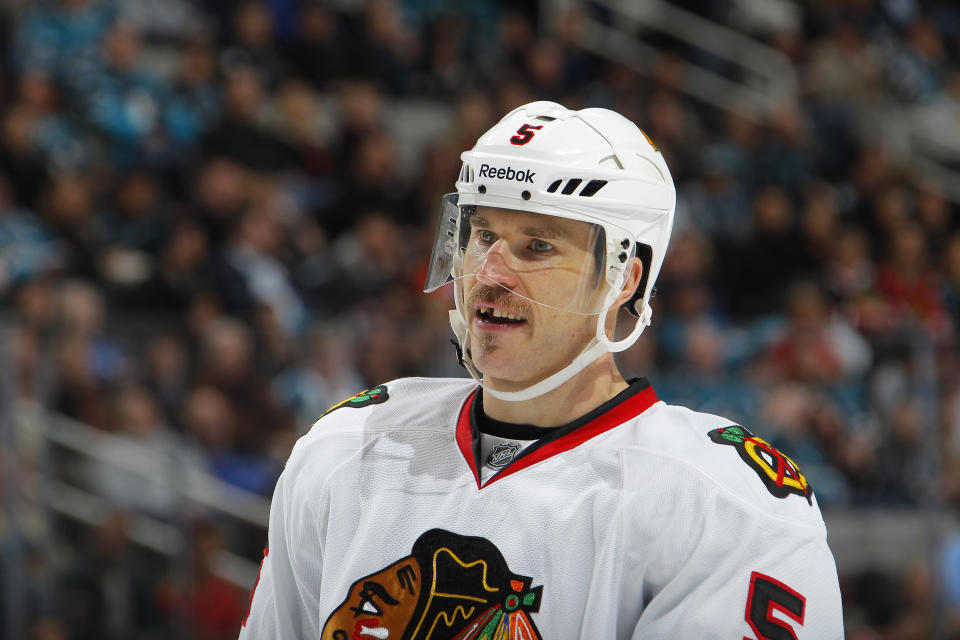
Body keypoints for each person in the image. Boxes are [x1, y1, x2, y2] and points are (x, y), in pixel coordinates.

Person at [238, 101, 844, 638]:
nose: (490, 274)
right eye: (481, 236)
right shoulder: (348, 446)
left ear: (622, 279)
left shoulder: (724, 503)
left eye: (538, 246)